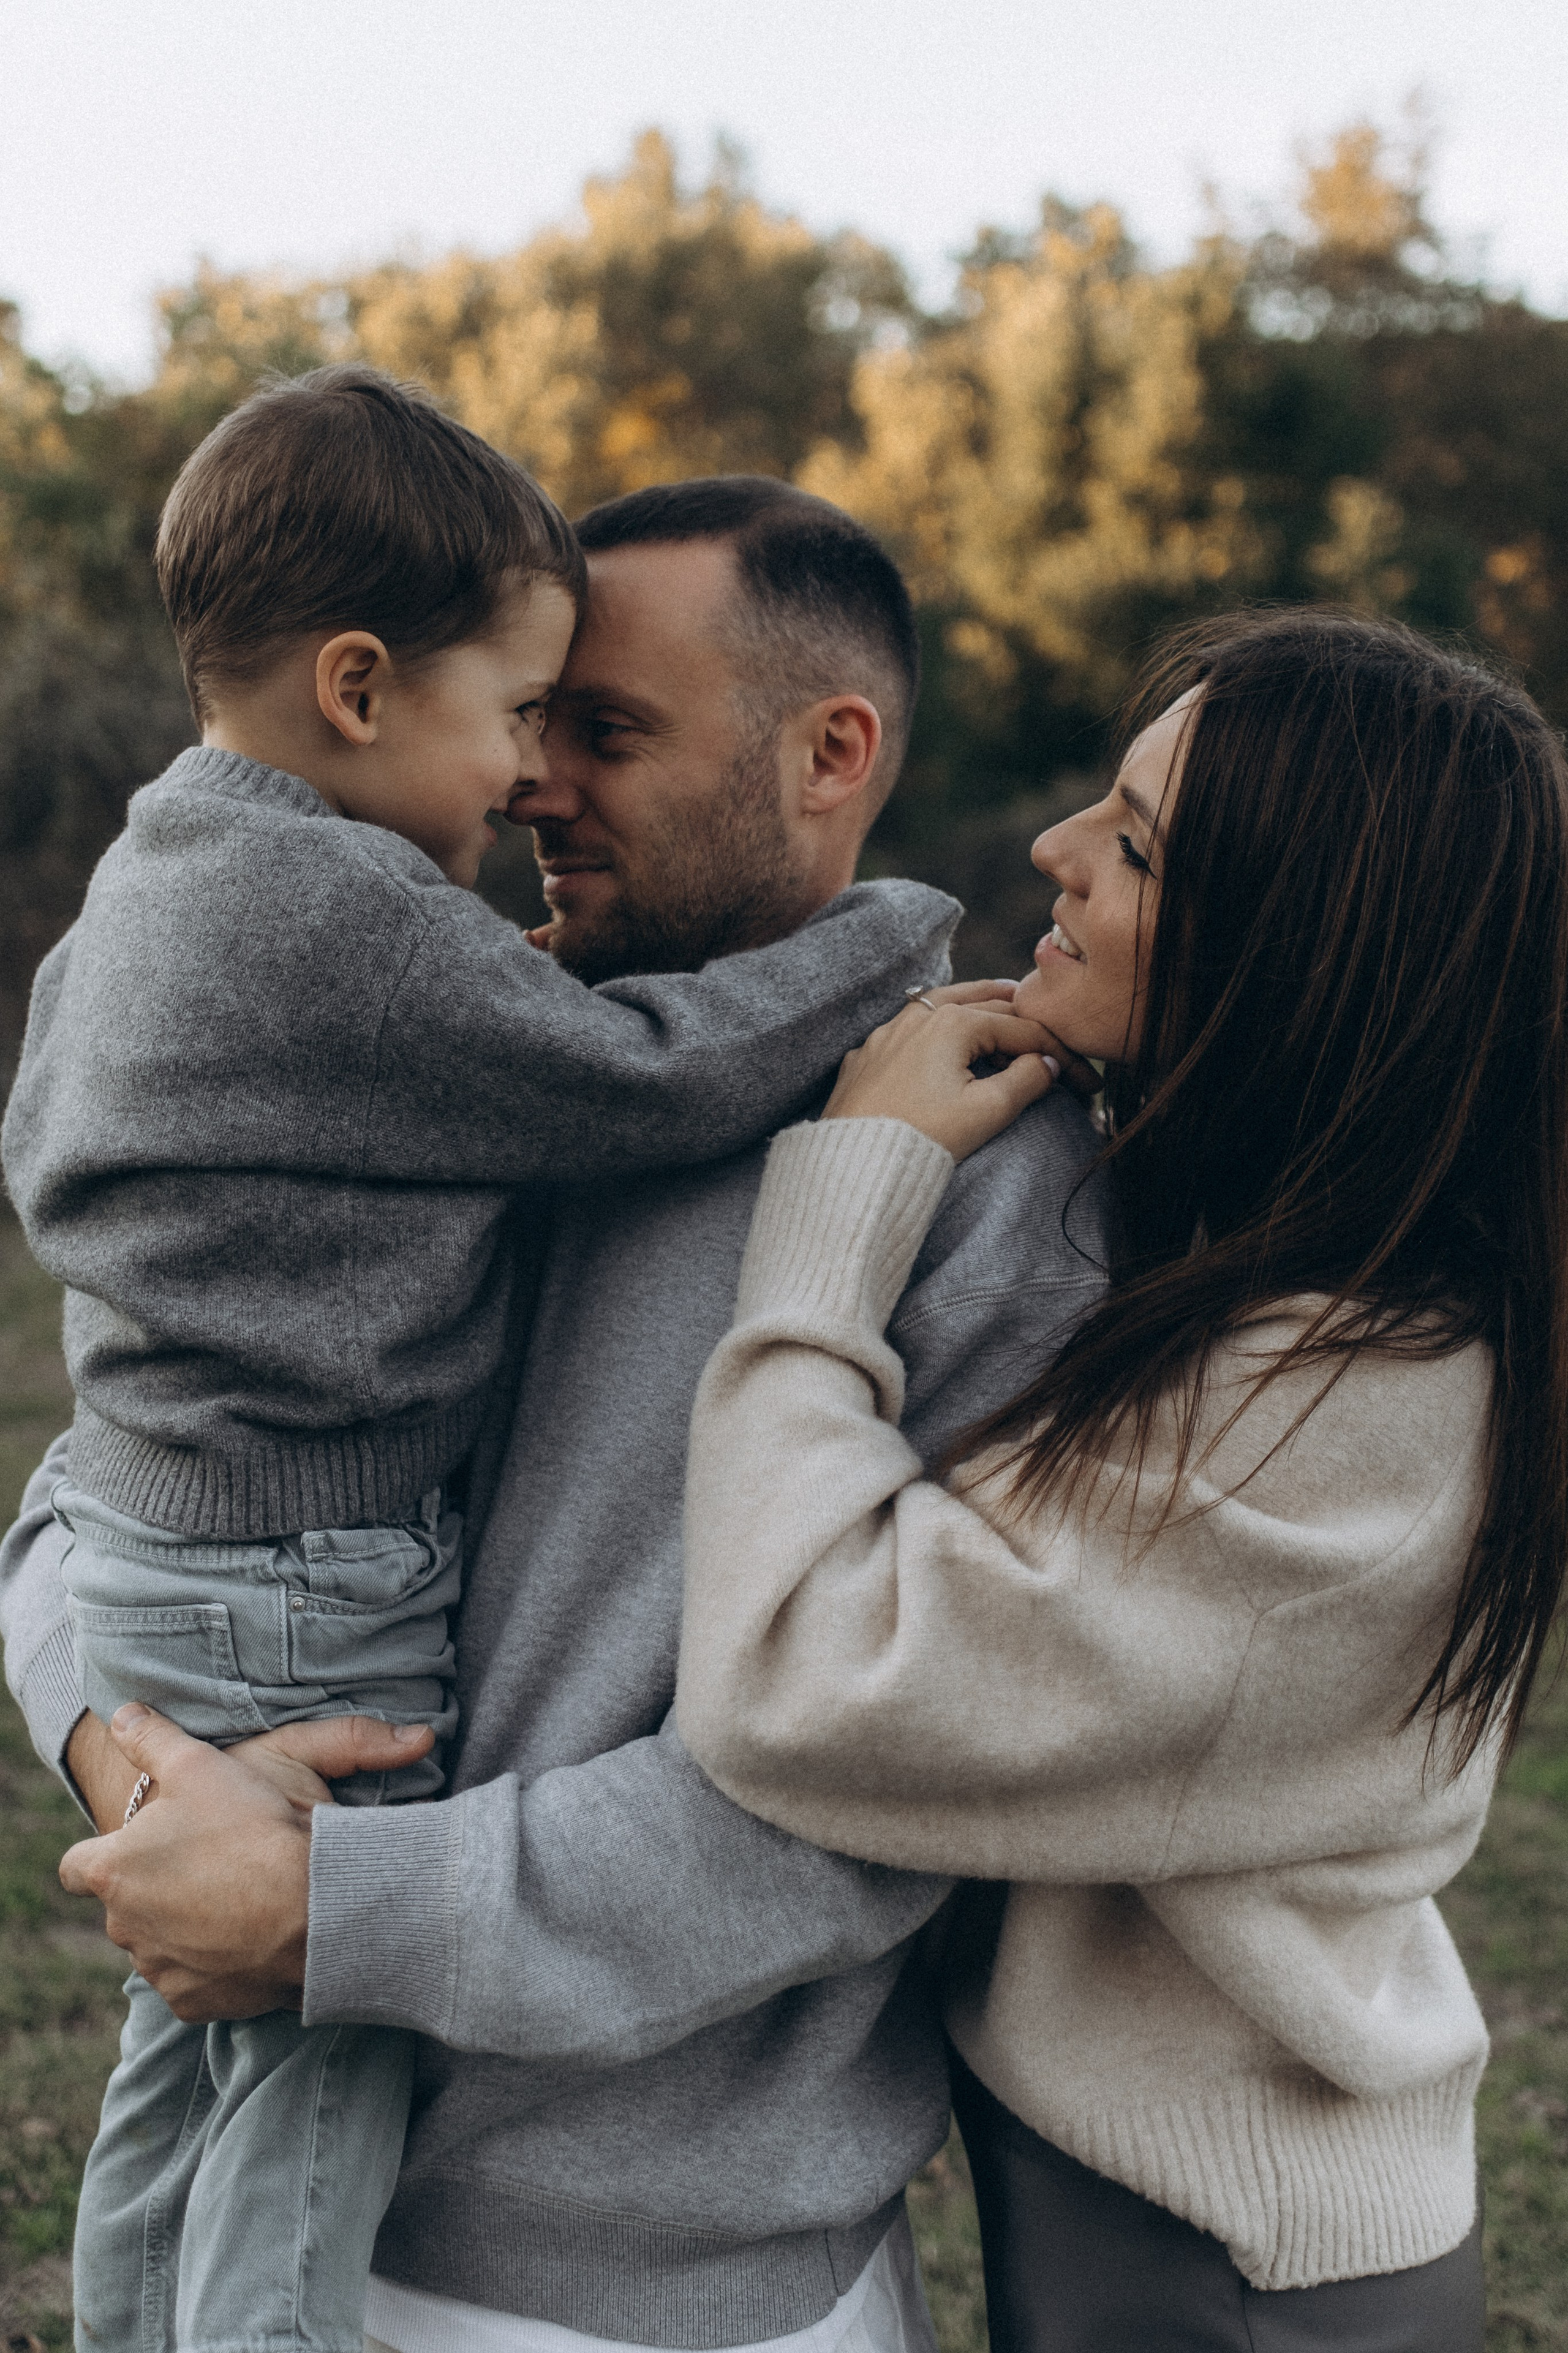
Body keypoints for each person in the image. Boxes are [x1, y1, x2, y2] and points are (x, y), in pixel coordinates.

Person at [1, 478, 1108, 2353]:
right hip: (252, 2199)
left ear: (831, 749)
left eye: (601, 728)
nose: (525, 778)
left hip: (641, 2289)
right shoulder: (435, 1043)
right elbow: (107, 1477)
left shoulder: (996, 1184)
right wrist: (129, 1754)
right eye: (522, 717)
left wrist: (334, 1907)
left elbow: (885, 1789)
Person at [675, 609, 1568, 2352]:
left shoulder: (1345, 1407)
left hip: (1224, 2268)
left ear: (1290, 955)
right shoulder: (1306, 1269)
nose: (1054, 850)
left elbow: (798, 1683)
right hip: (1170, 2203)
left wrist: (836, 1219)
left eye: (1140, 844)